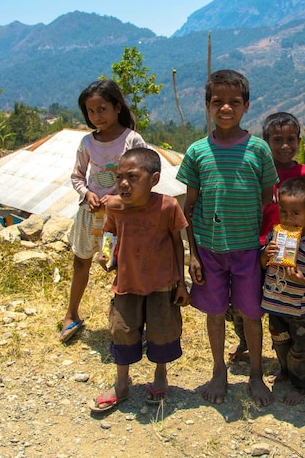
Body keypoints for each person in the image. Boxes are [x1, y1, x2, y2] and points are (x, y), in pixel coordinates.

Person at [176, 69, 279, 407]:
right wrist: (193, 254)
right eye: (217, 101)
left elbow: (267, 200)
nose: (225, 108)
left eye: (234, 102)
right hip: (209, 250)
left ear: (246, 106)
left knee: (252, 314)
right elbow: (189, 207)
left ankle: (255, 374)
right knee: (215, 312)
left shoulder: (259, 150)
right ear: (207, 105)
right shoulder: (197, 152)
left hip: (248, 250)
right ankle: (218, 370)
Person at [89, 148, 190, 413]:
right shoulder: (114, 206)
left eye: (132, 177)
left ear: (154, 179)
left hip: (162, 285)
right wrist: (107, 258)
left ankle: (160, 377)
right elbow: (109, 235)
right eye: (120, 177)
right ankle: (122, 383)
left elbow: (178, 245)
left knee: (161, 332)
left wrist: (181, 282)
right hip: (126, 283)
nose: (123, 183)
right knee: (121, 331)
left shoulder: (167, 206)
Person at [227, 112, 305, 360]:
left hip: (293, 255)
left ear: (299, 143)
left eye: (291, 139)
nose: (285, 146)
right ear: (266, 142)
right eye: (277, 139)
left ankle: (287, 356)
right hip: (256, 247)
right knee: (241, 303)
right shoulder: (255, 171)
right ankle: (245, 341)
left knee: (282, 307)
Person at [62, 79, 147, 343]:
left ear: (117, 107)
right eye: (91, 111)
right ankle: (71, 314)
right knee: (81, 261)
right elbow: (77, 176)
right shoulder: (88, 142)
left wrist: (117, 198)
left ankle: (130, 322)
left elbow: (143, 175)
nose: (96, 116)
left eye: (102, 109)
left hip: (121, 217)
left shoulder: (132, 140)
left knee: (124, 267)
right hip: (91, 214)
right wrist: (87, 194)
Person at [259, 177, 305, 405]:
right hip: (275, 305)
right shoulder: (274, 237)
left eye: (295, 213)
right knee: (279, 342)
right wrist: (264, 255)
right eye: (284, 213)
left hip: (300, 312)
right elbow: (262, 265)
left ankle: (300, 385)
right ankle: (285, 371)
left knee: (300, 350)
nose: (288, 219)